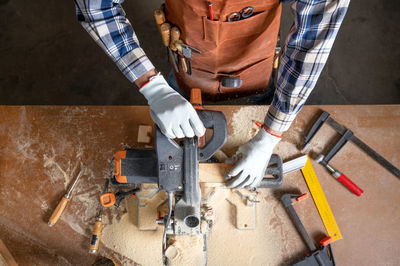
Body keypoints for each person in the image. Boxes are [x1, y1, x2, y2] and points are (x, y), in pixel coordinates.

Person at [73, 0, 350, 189]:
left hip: (257, 64)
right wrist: (153, 86)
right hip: (187, 62)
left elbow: (311, 45)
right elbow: (98, 8)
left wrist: (270, 136)